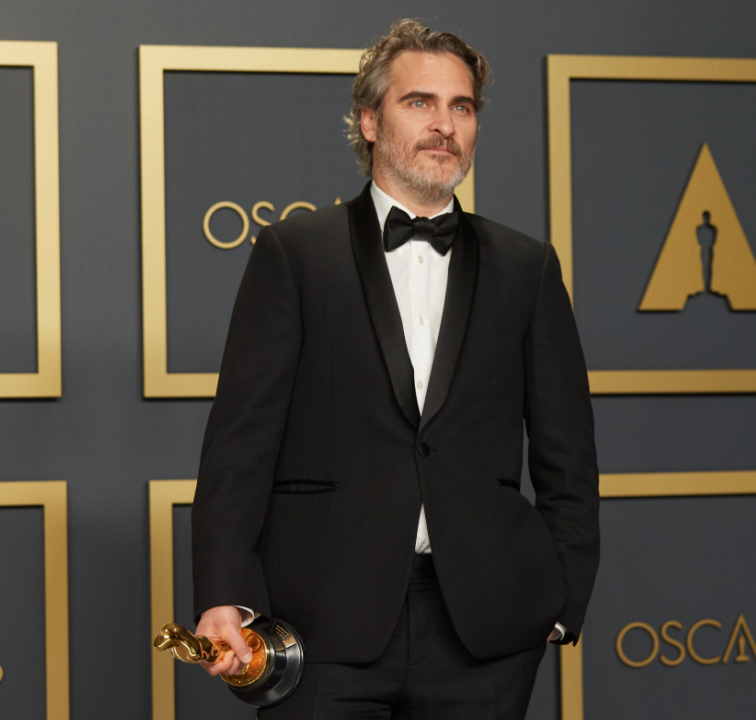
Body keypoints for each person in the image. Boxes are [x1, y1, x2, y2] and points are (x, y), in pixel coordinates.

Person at [192, 19, 600, 719]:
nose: (445, 124)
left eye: (461, 107)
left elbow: (569, 456)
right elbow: (240, 443)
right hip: (324, 624)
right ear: (370, 120)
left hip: (487, 634)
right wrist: (225, 592)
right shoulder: (294, 253)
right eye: (420, 103)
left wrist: (558, 600)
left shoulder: (528, 268)